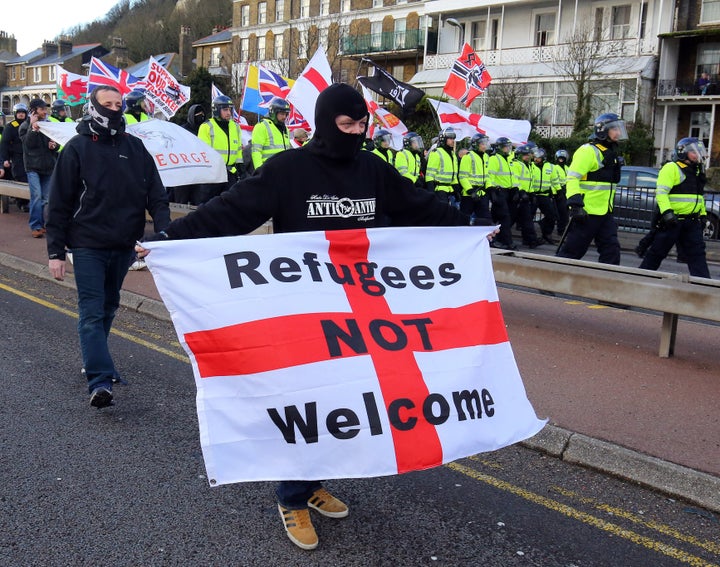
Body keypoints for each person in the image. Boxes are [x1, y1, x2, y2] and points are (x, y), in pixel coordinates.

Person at [135, 83, 493, 551]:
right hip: (303, 307)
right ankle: (292, 498)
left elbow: (418, 205)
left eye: (362, 124)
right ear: (326, 125)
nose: (357, 133)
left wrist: (468, 231)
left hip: (363, 308)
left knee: (344, 401)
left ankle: (314, 482)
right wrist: (168, 240)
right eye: (346, 125)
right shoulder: (289, 170)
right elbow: (229, 212)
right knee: (305, 400)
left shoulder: (372, 169)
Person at [46, 85, 171, 409]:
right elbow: (58, 203)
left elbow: (156, 195)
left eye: (119, 103)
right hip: (87, 244)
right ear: (93, 108)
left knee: (109, 306)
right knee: (91, 309)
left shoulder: (136, 148)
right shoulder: (76, 148)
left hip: (123, 245)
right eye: (108, 104)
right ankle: (100, 380)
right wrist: (55, 252)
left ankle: (94, 358)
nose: (115, 109)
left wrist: (163, 235)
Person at [556, 113, 627, 264]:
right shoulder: (588, 151)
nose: (619, 133)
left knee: (611, 251)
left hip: (605, 212)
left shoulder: (612, 154)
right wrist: (575, 204)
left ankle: (607, 285)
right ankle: (552, 282)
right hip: (587, 212)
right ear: (603, 130)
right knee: (573, 252)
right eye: (615, 129)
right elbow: (572, 177)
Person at [638, 137, 711, 278]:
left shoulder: (696, 171)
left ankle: (704, 289)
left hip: (691, 222)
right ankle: (638, 282)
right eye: (694, 152)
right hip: (673, 221)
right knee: (657, 253)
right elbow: (661, 193)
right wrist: (667, 213)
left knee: (698, 254)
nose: (698, 155)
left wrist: (702, 215)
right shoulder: (671, 168)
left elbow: (699, 197)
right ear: (683, 153)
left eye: (699, 152)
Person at [19, 99, 59, 238]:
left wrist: (54, 146)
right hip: (32, 167)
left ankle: (42, 225)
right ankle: (35, 226)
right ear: (35, 110)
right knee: (36, 196)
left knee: (46, 199)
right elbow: (28, 144)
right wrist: (32, 127)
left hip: (48, 166)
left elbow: (56, 142)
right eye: (42, 109)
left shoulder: (48, 125)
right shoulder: (24, 126)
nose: (45, 112)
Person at [198, 95, 244, 197]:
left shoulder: (235, 127)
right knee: (209, 204)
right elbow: (204, 152)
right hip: (213, 174)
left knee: (230, 204)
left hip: (230, 173)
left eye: (230, 110)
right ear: (217, 110)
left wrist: (241, 167)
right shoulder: (206, 127)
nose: (229, 113)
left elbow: (238, 150)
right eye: (225, 110)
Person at [172, 104, 208, 206]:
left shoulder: (205, 130)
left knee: (197, 202)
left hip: (198, 173)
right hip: (183, 172)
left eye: (202, 114)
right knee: (181, 203)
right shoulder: (182, 130)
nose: (200, 116)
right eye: (197, 114)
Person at [486, 136, 517, 249]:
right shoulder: (495, 159)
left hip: (509, 192)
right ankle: (507, 241)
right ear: (500, 148)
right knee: (504, 217)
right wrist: (492, 191)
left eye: (509, 147)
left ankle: (498, 238)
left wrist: (515, 189)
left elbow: (512, 176)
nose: (508, 149)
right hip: (499, 191)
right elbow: (490, 176)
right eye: (506, 147)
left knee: (505, 216)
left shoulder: (509, 160)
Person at [510, 143, 540, 247]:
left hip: (525, 196)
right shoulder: (516, 164)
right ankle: (498, 237)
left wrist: (532, 194)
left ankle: (531, 240)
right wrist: (521, 192)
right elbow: (515, 179)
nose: (527, 156)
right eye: (525, 155)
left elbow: (529, 181)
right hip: (517, 196)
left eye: (528, 154)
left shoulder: (529, 166)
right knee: (510, 219)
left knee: (527, 219)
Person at [458, 133, 491, 223]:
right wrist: (470, 190)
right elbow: (462, 176)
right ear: (476, 144)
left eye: (486, 143)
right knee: (463, 220)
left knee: (486, 220)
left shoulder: (486, 157)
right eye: (483, 144)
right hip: (469, 195)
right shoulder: (468, 157)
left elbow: (487, 175)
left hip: (481, 193)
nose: (485, 146)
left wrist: (490, 188)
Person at [251, 96, 291, 171]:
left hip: (283, 171)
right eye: (282, 114)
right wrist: (259, 172)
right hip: (268, 171)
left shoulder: (285, 129)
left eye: (286, 114)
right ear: (273, 112)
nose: (284, 117)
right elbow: (256, 151)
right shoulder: (262, 126)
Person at [425, 127, 459, 206]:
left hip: (450, 190)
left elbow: (454, 174)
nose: (453, 141)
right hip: (439, 190)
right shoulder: (436, 152)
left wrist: (457, 190)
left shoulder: (453, 154)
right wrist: (431, 191)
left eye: (453, 138)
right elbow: (430, 174)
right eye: (450, 138)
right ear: (443, 139)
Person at [530, 147, 558, 244]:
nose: (535, 160)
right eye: (535, 158)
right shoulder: (531, 166)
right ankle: (530, 238)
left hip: (544, 195)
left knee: (551, 215)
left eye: (538, 158)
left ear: (543, 158)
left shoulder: (551, 167)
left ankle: (547, 234)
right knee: (529, 216)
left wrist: (558, 191)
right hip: (533, 195)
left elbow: (554, 180)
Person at [0, 103, 29, 183]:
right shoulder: (11, 126)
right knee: (20, 176)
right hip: (17, 156)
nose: (21, 114)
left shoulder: (30, 125)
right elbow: (4, 144)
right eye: (19, 112)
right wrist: (5, 159)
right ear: (15, 113)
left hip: (29, 156)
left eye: (23, 112)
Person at [552, 149, 570, 237]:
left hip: (566, 192)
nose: (561, 160)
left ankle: (563, 229)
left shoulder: (567, 168)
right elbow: (554, 180)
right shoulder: (555, 168)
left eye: (563, 158)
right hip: (559, 193)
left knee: (566, 213)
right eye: (560, 158)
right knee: (561, 213)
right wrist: (558, 191)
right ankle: (560, 230)